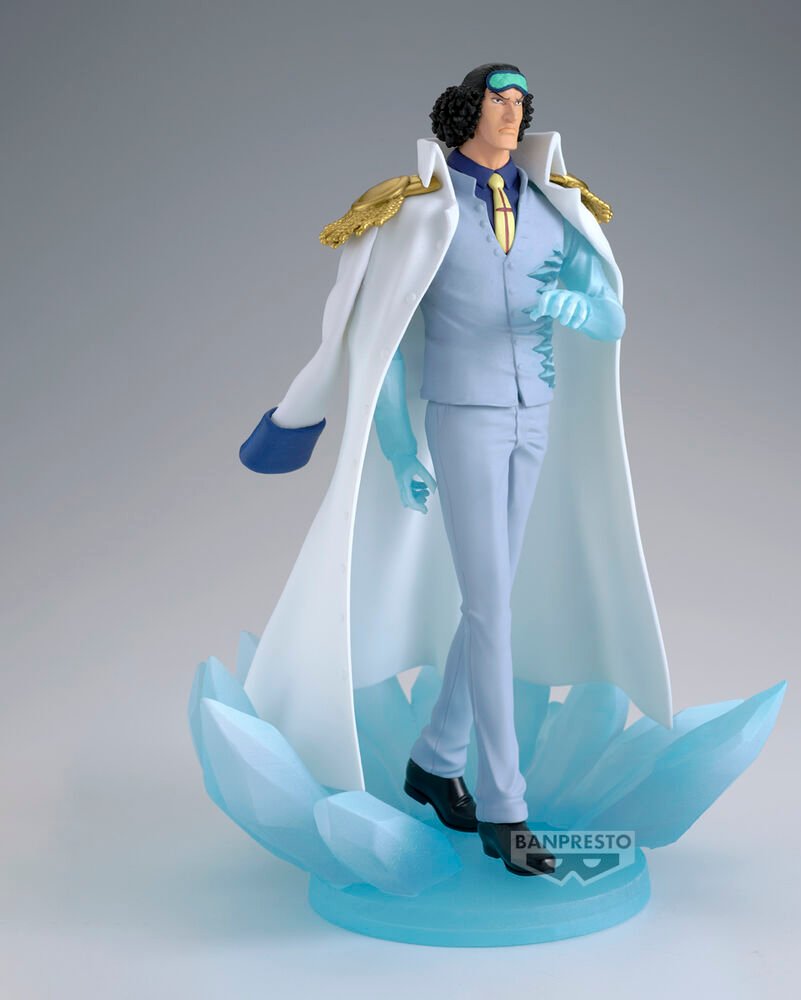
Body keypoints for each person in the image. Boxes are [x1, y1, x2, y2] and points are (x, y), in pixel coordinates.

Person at [239, 63, 673, 878]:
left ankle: (437, 758)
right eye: (499, 100)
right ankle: (507, 810)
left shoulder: (555, 206)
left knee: (490, 604)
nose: (513, 113)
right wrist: (401, 448)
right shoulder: (422, 214)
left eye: (521, 103)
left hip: (534, 412)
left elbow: (611, 310)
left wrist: (584, 309)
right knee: (491, 606)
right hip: (464, 418)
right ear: (465, 110)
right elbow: (382, 342)